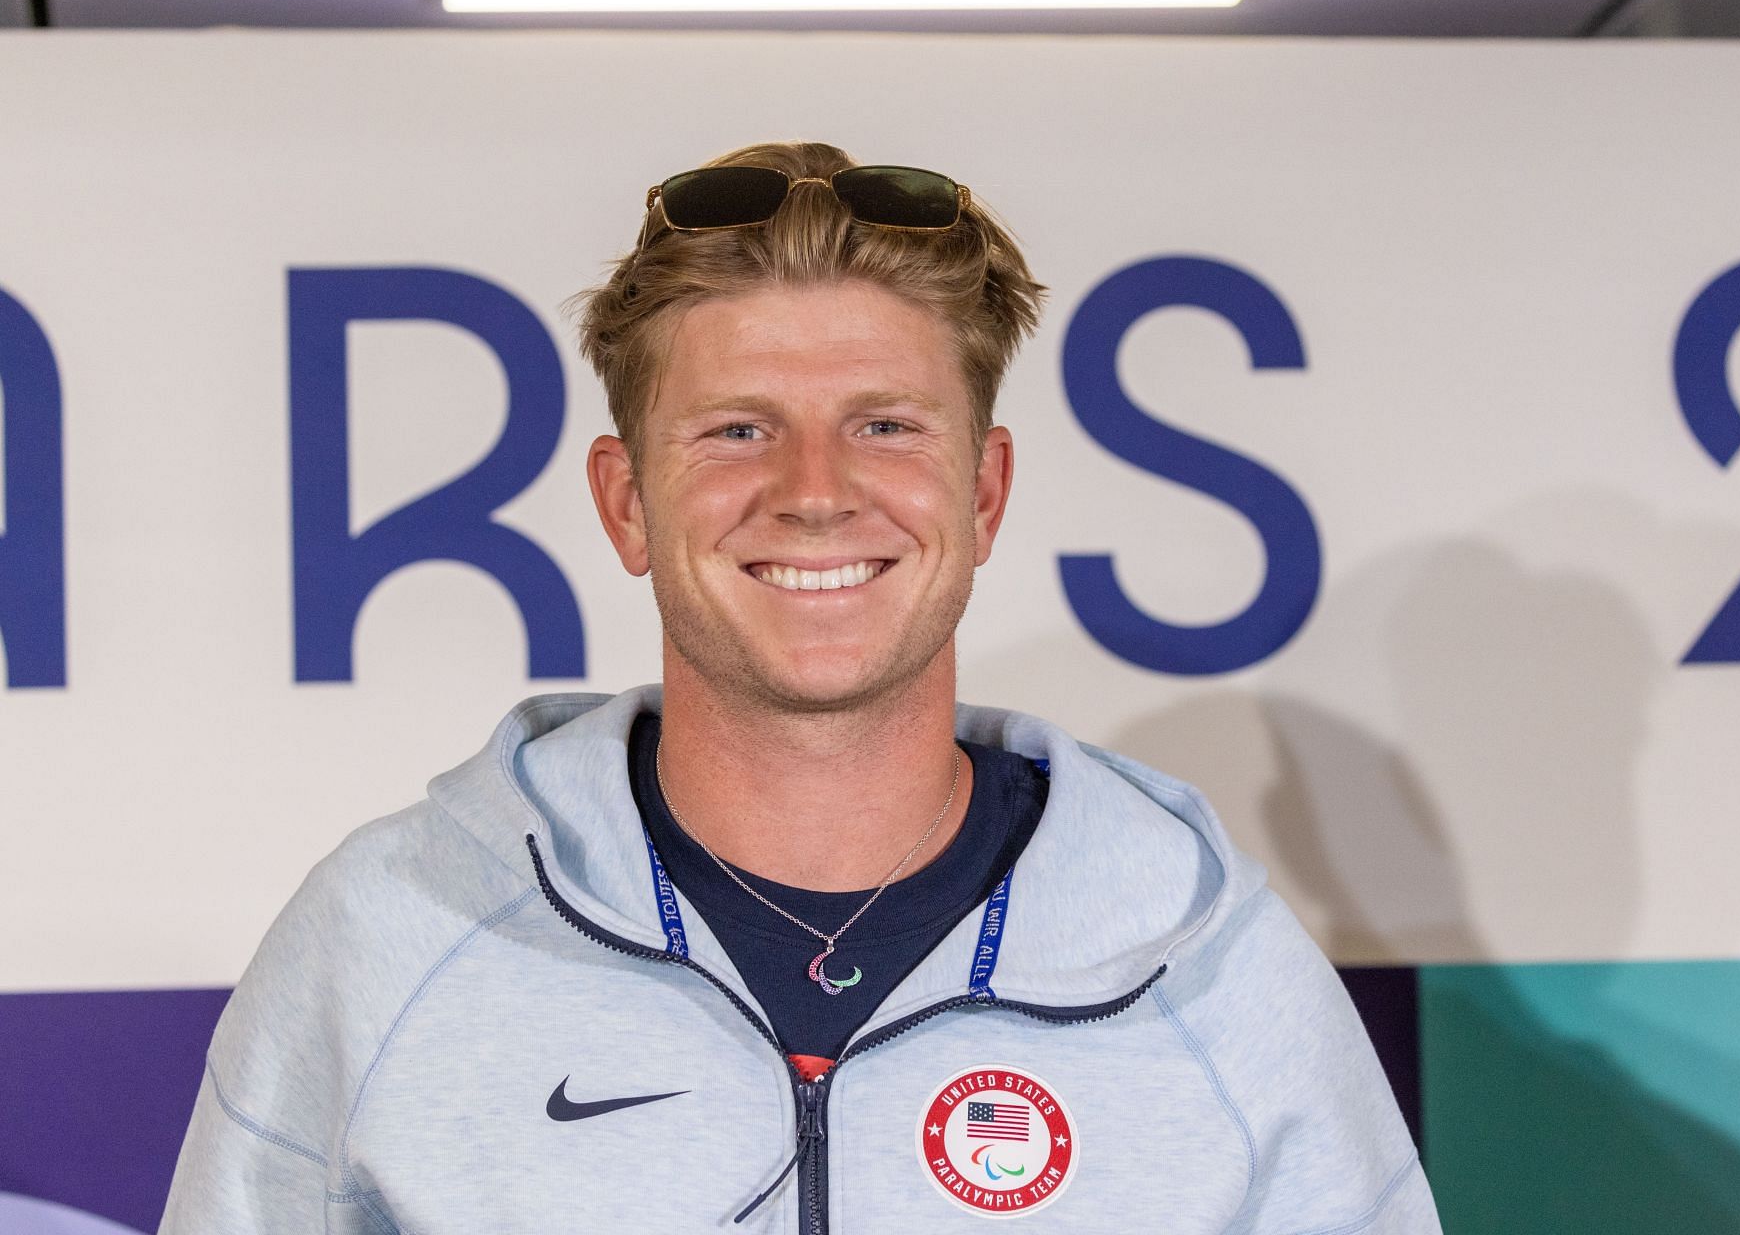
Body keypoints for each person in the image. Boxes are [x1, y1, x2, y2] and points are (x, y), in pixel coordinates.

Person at [159, 141, 1441, 1232]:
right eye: (737, 428)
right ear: (626, 503)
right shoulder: (388, 937)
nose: (816, 489)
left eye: (885, 423)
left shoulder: (1210, 965)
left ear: (985, 492)